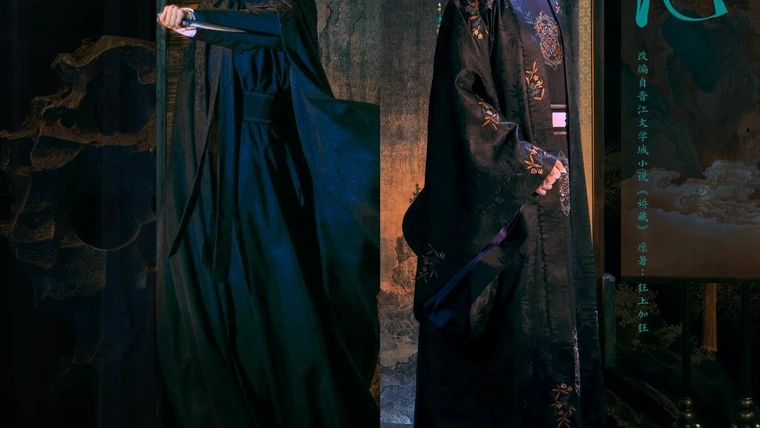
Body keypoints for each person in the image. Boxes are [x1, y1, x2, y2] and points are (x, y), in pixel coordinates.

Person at [156, 1, 380, 427]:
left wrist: (196, 22)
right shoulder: (221, 5)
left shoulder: (282, 7)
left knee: (277, 285)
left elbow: (276, 24)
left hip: (262, 163)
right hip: (209, 166)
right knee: (219, 295)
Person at [402, 0, 606, 426]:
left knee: (557, 332)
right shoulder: (475, 5)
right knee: (509, 344)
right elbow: (461, 97)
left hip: (557, 195)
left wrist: (551, 167)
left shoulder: (554, 3)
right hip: (509, 208)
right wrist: (525, 161)